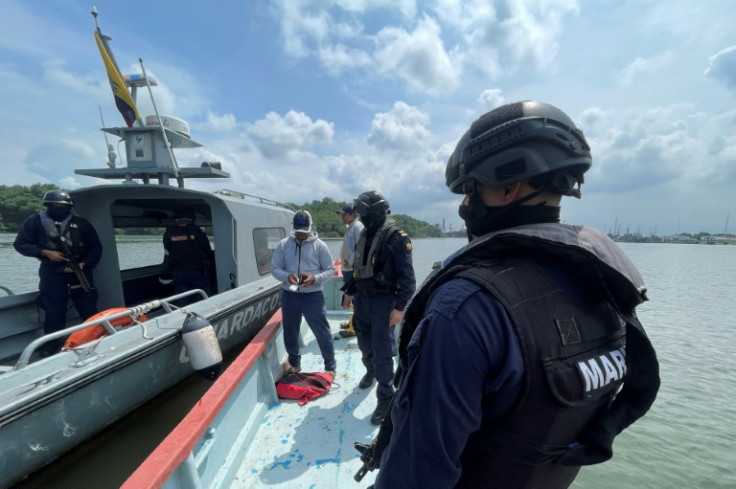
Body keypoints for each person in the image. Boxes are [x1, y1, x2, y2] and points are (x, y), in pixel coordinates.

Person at [369, 101, 660, 488]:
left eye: (470, 190)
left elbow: (416, 473)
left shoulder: (467, 308)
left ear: (509, 186)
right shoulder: (604, 277)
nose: (464, 205)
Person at [342, 191, 416, 425]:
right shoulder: (365, 233)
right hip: (363, 299)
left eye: (364, 213)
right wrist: (350, 290)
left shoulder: (396, 237)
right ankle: (370, 370)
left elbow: (408, 278)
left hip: (384, 301)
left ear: (374, 213)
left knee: (383, 349)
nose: (361, 217)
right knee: (364, 343)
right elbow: (359, 268)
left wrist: (400, 307)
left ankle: (386, 396)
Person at [14, 189, 103, 356]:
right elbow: (21, 244)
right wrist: (45, 253)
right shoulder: (35, 222)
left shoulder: (82, 223)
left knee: (87, 304)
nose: (60, 208)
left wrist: (85, 264)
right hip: (52, 270)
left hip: (79, 269)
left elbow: (96, 247)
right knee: (53, 307)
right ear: (48, 205)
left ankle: (94, 336)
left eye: (64, 206)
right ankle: (51, 344)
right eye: (56, 205)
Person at [271, 210, 336, 375]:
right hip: (290, 293)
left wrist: (314, 278)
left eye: (304, 231)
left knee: (321, 331)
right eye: (298, 231)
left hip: (312, 295)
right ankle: (294, 363)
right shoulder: (284, 244)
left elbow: (330, 270)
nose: (301, 234)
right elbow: (275, 268)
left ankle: (330, 367)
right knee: (290, 330)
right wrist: (287, 276)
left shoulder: (320, 246)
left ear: (310, 227)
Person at [163, 208, 213, 304]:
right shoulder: (196, 232)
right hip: (197, 271)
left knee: (182, 297)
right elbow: (207, 249)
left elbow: (167, 249)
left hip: (178, 271)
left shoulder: (169, 233)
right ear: (191, 218)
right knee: (202, 297)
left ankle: (183, 315)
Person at [336, 204, 364, 338]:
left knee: (355, 297)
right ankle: (353, 322)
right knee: (352, 297)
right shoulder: (351, 227)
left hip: (353, 269)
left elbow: (361, 247)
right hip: (348, 269)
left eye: (344, 214)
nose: (342, 217)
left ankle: (354, 328)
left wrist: (351, 261)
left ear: (352, 215)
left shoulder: (357, 227)